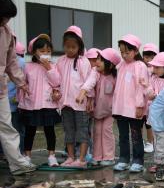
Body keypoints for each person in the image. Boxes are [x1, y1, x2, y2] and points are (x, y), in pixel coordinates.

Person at [0, 0, 36, 176]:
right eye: (4, 16)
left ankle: (18, 163)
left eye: (7, 18)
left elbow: (11, 62)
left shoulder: (6, 33)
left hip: (0, 90)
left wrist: (21, 83)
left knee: (7, 127)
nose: (5, 21)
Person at [47, 26, 91, 168]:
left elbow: (89, 82)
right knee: (68, 131)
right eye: (67, 47)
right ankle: (71, 157)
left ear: (79, 46)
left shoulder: (84, 62)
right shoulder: (60, 61)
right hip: (65, 103)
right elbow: (56, 80)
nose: (70, 50)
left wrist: (90, 99)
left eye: (73, 47)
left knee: (82, 131)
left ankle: (82, 158)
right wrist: (55, 91)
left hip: (80, 103)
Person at [19, 34, 61, 167]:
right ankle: (27, 156)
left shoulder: (53, 66)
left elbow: (57, 82)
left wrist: (48, 67)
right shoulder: (28, 66)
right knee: (30, 130)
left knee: (49, 130)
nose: (46, 54)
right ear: (34, 52)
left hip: (48, 103)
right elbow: (22, 81)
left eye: (48, 51)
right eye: (42, 51)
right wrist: (23, 88)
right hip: (31, 104)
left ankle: (51, 156)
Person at [76, 48, 120, 166]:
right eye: (97, 59)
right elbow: (90, 82)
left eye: (101, 60)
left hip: (110, 110)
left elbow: (119, 92)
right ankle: (97, 156)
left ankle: (109, 157)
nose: (97, 62)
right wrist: (83, 92)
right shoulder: (95, 72)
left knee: (107, 131)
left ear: (110, 64)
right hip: (97, 109)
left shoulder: (115, 76)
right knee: (97, 131)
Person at [112, 34, 148, 172]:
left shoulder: (140, 66)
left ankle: (138, 160)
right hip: (121, 107)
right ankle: (124, 159)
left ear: (136, 51)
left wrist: (140, 105)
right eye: (122, 52)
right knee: (122, 136)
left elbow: (142, 87)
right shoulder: (121, 65)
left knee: (136, 135)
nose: (124, 55)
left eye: (127, 52)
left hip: (134, 108)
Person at [141, 51, 164, 172]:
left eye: (157, 67)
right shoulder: (153, 78)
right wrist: (150, 93)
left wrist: (158, 96)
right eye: (153, 66)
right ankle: (159, 162)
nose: (154, 69)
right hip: (154, 114)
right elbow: (148, 91)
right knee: (157, 139)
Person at [141, 43, 159, 154]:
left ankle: (150, 142)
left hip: (151, 100)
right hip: (140, 99)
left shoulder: (156, 70)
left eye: (152, 57)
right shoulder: (140, 67)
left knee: (149, 124)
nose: (149, 60)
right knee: (139, 122)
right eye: (147, 57)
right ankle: (140, 141)